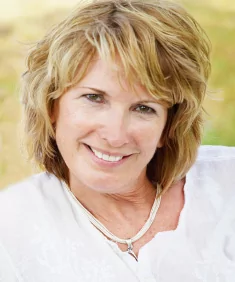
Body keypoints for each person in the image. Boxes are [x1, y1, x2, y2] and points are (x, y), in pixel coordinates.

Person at [0, 0, 234, 281]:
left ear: (169, 126)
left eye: (144, 108)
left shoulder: (226, 183)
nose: (115, 135)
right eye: (94, 98)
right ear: (51, 108)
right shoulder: (10, 232)